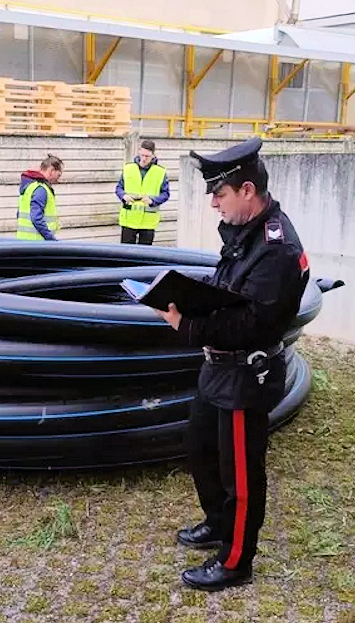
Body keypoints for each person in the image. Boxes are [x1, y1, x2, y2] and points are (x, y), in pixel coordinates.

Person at [151, 137, 310, 592]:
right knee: (201, 451)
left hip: (246, 374)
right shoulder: (244, 231)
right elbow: (227, 287)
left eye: (219, 194)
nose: (213, 204)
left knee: (240, 473)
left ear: (246, 190)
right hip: (218, 370)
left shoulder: (276, 248)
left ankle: (236, 560)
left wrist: (187, 326)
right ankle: (218, 523)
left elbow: (251, 324)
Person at [115, 140, 170, 245]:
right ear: (139, 151)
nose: (144, 159)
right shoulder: (128, 168)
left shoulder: (160, 172)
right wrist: (124, 196)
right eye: (142, 155)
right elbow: (119, 188)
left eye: (147, 156)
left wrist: (152, 200)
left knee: (145, 255)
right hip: (129, 220)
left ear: (153, 155)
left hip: (148, 222)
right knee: (126, 254)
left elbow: (165, 194)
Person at [17, 155, 64, 241]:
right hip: (37, 244)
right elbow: (36, 218)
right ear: (51, 170)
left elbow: (19, 214)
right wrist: (51, 239)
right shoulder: (41, 189)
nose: (58, 180)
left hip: (24, 242)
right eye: (58, 175)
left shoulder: (29, 186)